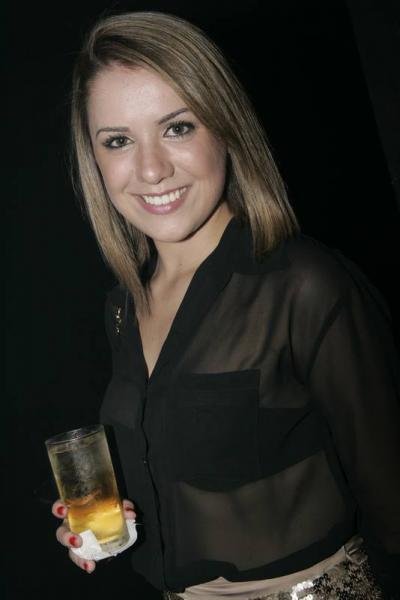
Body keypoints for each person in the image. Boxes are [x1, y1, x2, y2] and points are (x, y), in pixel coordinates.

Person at [51, 11, 400, 599]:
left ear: (225, 128)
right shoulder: (122, 307)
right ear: (95, 159)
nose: (151, 168)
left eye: (178, 127)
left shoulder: (305, 285)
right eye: (118, 140)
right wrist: (106, 516)